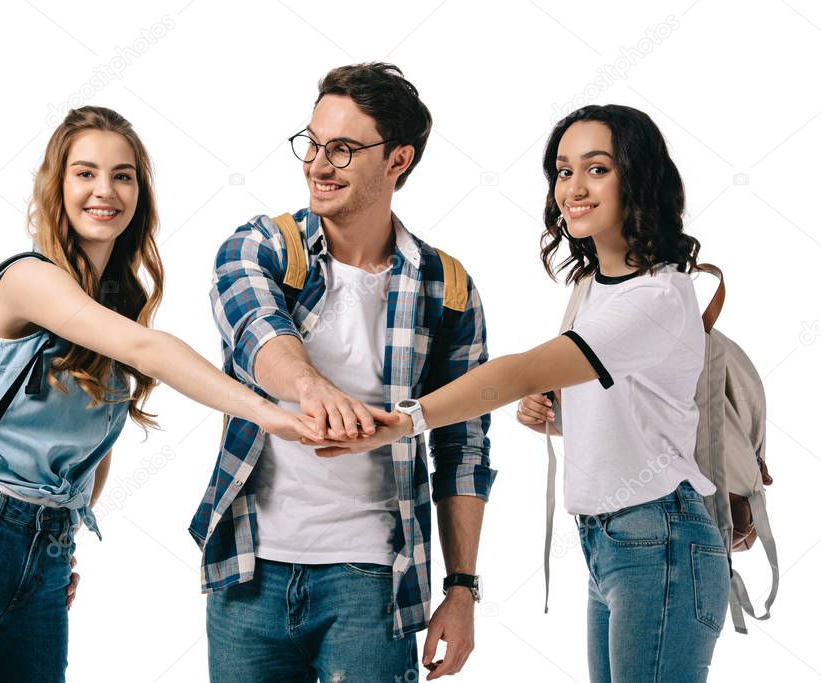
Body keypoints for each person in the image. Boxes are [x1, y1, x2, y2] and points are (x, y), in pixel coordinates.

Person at [0, 105, 317, 683]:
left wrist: (52, 539)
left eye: (122, 175)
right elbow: (150, 350)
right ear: (57, 186)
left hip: (45, 555)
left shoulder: (111, 305)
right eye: (84, 173)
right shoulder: (28, 280)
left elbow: (96, 445)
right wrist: (266, 410)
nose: (104, 190)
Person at [313, 104, 731, 683]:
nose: (573, 188)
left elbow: (519, 371)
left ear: (639, 177)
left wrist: (410, 419)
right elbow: (634, 404)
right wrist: (558, 416)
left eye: (597, 169)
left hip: (657, 536)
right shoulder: (593, 287)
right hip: (611, 542)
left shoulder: (658, 295)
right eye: (563, 171)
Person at [192, 63, 494, 682]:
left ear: (398, 160)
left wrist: (460, 589)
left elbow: (463, 446)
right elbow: (256, 334)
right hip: (250, 568)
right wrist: (311, 387)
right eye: (311, 143)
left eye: (343, 149)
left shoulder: (448, 288)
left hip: (372, 577)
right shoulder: (261, 247)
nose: (318, 165)